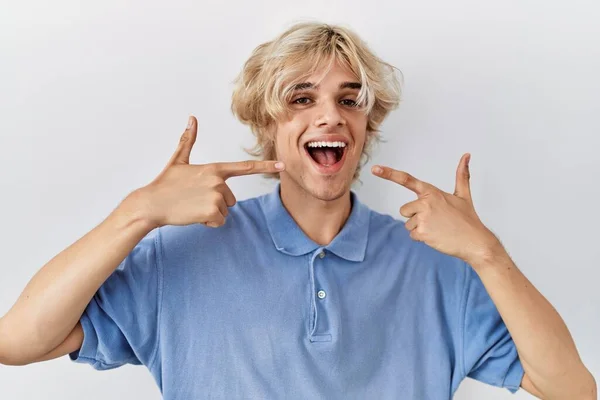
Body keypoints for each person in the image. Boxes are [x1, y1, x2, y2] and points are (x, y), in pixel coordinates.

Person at [0, 22, 595, 399]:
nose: (330, 116)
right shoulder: (179, 256)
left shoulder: (440, 267)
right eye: (301, 99)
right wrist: (137, 213)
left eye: (349, 100)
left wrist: (488, 255)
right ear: (268, 126)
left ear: (367, 125)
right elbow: (19, 341)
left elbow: (574, 390)